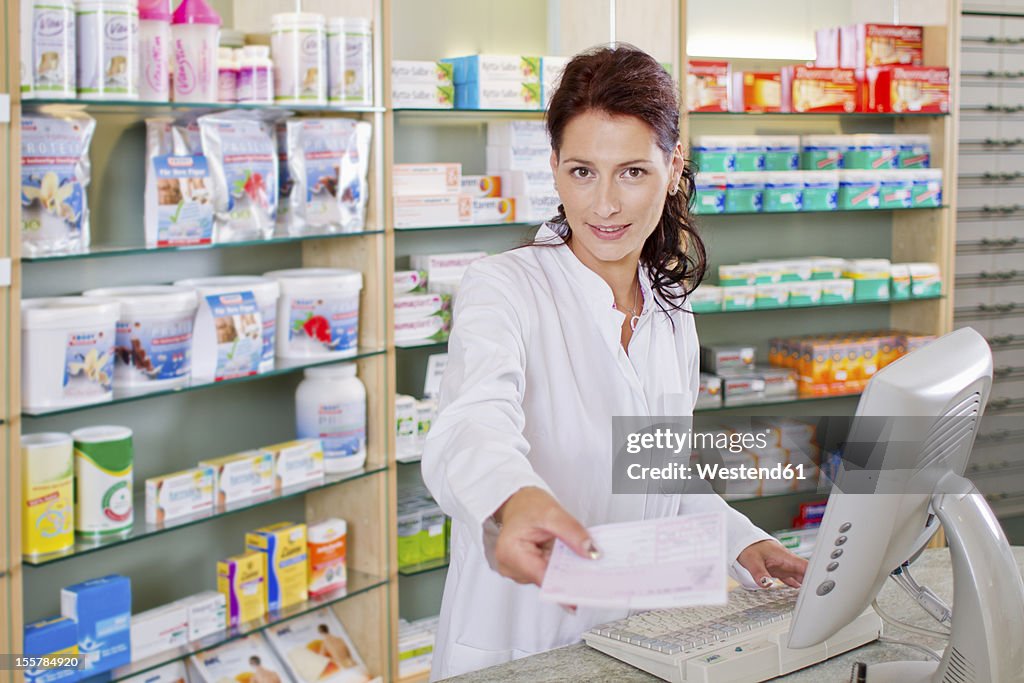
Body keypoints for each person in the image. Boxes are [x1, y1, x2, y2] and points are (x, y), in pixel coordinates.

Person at [420, 44, 809, 680]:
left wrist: (745, 541)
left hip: (639, 639)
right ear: (554, 168)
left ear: (674, 165)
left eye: (631, 172)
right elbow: (470, 424)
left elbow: (656, 471)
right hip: (519, 642)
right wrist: (513, 499)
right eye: (581, 171)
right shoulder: (503, 286)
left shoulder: (670, 309)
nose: (604, 205)